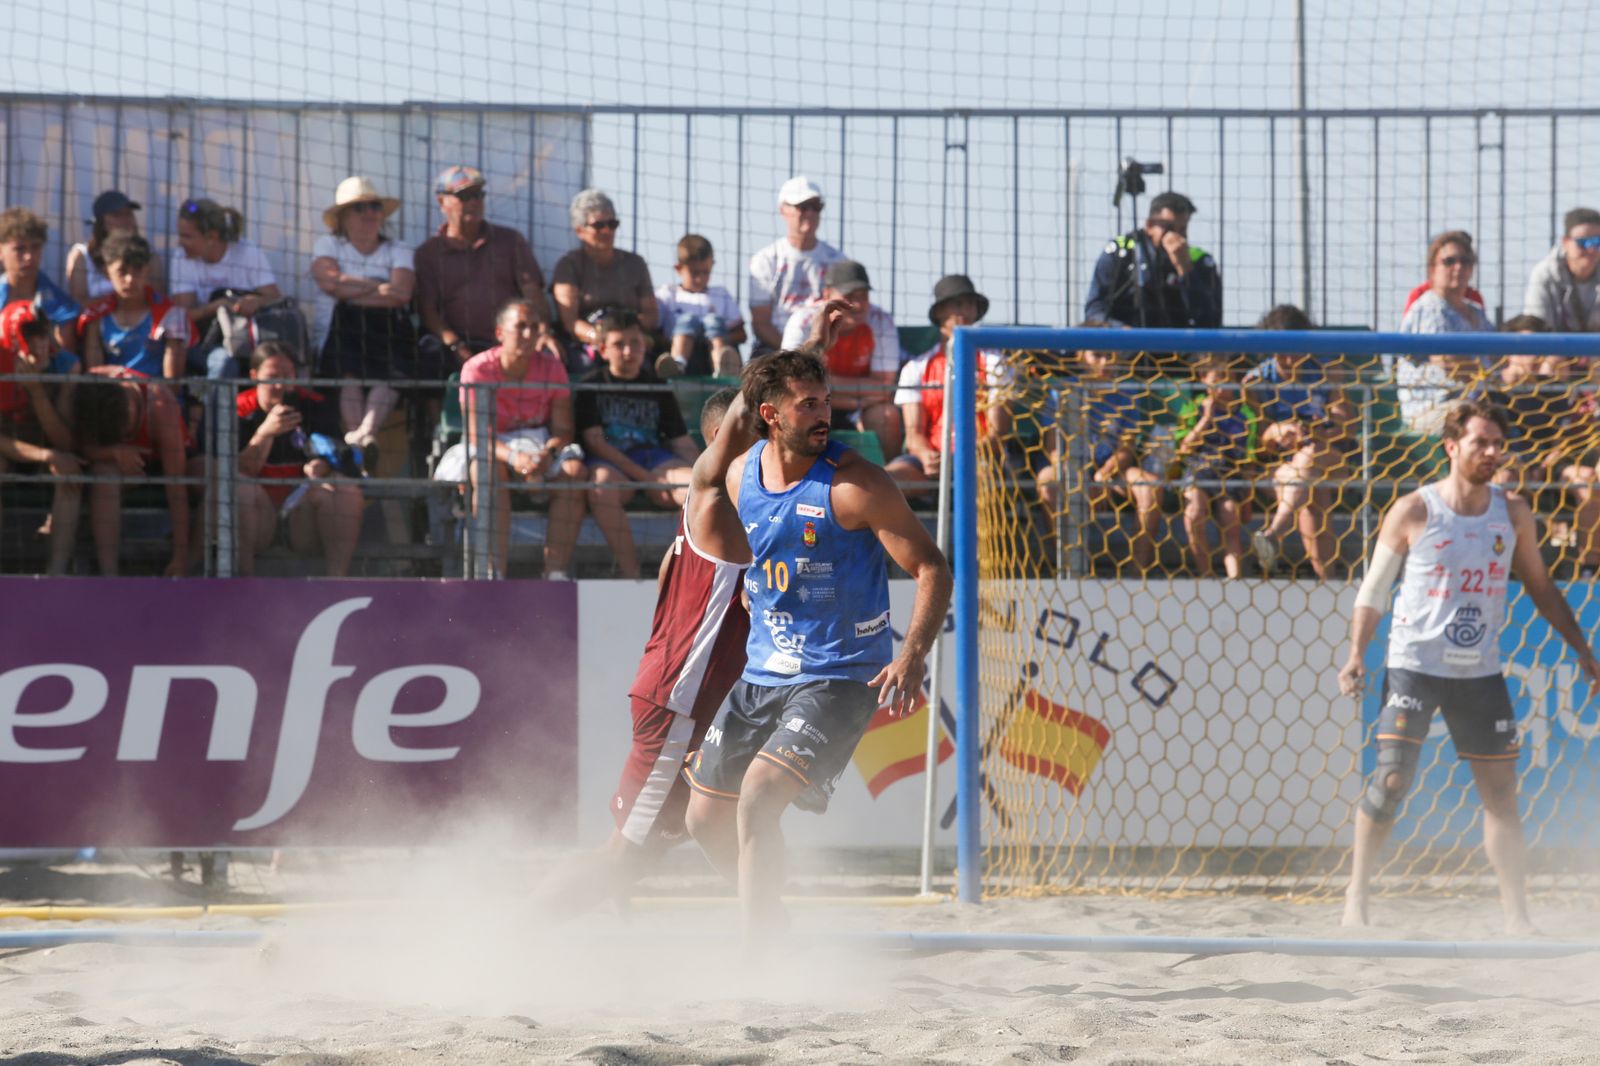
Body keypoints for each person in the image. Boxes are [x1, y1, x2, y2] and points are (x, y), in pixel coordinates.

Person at [683, 343, 952, 952]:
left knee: (757, 798)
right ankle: (771, 916)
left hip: (840, 675)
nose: (823, 412)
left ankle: (758, 956)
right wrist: (754, 582)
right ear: (770, 414)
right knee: (702, 820)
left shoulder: (855, 485)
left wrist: (911, 653)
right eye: (808, 404)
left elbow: (932, 567)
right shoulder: (737, 472)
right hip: (762, 673)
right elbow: (740, 530)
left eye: (826, 400)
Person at [1336, 400, 1600, 934]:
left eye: (1497, 444)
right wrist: (1356, 654)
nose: (1492, 452)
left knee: (1501, 795)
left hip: (1478, 670)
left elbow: (1542, 588)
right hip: (1414, 663)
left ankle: (1516, 917)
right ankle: (1356, 896)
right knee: (1390, 779)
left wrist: (1584, 651)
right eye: (1481, 442)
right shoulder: (1415, 510)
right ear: (1451, 446)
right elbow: (1374, 589)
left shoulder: (1514, 512)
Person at [537, 386, 757, 915]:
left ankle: (772, 926)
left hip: (683, 699)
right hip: (679, 704)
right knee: (622, 855)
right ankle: (509, 939)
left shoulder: (728, 515)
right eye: (759, 437)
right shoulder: (718, 502)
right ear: (719, 442)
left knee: (650, 847)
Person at [435, 299, 585, 580]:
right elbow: (477, 433)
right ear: (500, 333)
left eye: (534, 327)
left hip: (539, 443)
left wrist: (547, 455)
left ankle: (555, 574)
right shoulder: (476, 369)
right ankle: (492, 573)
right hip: (489, 444)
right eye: (520, 327)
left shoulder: (552, 368)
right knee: (488, 471)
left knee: (575, 472)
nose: (528, 334)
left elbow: (564, 429)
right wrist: (516, 458)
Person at [573, 308, 698, 579]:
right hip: (610, 462)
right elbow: (595, 442)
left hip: (655, 459)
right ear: (603, 349)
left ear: (645, 346)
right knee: (600, 487)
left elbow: (681, 440)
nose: (629, 352)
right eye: (619, 345)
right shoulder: (591, 385)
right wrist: (646, 479)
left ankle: (683, 573)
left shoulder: (658, 386)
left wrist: (708, 474)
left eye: (635, 343)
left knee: (695, 489)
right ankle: (633, 574)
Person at [235, 342, 366, 577]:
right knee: (242, 490)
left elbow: (340, 457)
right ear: (254, 376)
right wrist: (266, 433)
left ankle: (337, 583)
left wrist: (323, 466)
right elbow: (243, 469)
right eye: (272, 376)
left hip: (300, 515)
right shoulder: (238, 408)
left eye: (288, 375)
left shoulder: (314, 405)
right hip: (257, 517)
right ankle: (244, 583)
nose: (280, 385)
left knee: (345, 491)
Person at [310, 176, 416, 451]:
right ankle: (361, 441)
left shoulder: (398, 248)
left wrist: (351, 286)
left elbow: (402, 294)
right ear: (344, 216)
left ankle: (363, 435)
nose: (369, 213)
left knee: (390, 375)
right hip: (342, 329)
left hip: (388, 329)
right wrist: (379, 286)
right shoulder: (328, 245)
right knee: (349, 376)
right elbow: (330, 283)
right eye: (360, 208)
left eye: (374, 206)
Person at [413, 165, 555, 368]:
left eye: (478, 195)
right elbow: (428, 311)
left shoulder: (510, 241)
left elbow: (533, 293)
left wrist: (543, 332)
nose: (474, 202)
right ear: (442, 202)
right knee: (430, 356)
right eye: (464, 195)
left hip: (509, 341)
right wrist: (456, 346)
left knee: (551, 356)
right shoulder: (428, 253)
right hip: (454, 346)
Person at [886, 275, 1011, 497]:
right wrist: (925, 455)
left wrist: (968, 456)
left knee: (986, 489)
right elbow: (914, 435)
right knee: (885, 481)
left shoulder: (994, 362)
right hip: (932, 462)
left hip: (982, 460)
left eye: (970, 303)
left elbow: (997, 432)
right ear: (940, 312)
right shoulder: (916, 367)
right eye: (957, 303)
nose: (965, 310)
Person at [73, 365, 199, 576]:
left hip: (161, 461)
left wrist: (180, 555)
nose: (125, 437)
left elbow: (176, 486)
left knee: (208, 475)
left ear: (132, 405)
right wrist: (113, 452)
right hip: (115, 463)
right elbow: (80, 449)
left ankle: (190, 567)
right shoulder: (90, 391)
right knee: (104, 476)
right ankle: (109, 576)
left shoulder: (161, 406)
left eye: (126, 433)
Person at [780, 259, 902, 458]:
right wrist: (849, 398)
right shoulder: (802, 321)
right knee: (793, 410)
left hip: (851, 404)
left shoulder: (881, 321)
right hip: (818, 403)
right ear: (827, 295)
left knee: (887, 416)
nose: (858, 304)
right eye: (849, 296)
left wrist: (829, 386)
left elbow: (885, 388)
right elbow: (792, 385)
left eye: (864, 296)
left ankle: (892, 482)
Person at [0, 302, 83, 574]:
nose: (39, 344)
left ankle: (55, 575)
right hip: (12, 452)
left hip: (48, 452)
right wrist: (45, 455)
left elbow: (65, 443)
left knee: (69, 471)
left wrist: (36, 392)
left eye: (42, 334)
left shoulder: (66, 365)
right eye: (29, 336)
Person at [168, 198, 283, 378]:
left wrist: (256, 302)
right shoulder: (181, 258)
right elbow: (183, 315)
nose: (180, 243)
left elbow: (275, 298)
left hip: (249, 340)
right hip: (205, 341)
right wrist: (215, 308)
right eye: (180, 235)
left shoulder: (247, 251)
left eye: (187, 236)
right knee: (223, 362)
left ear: (211, 237)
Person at [1084, 191, 1222, 335]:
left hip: (1178, 348)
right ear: (1149, 225)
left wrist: (1186, 270)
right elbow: (1094, 309)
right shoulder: (1120, 252)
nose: (1176, 236)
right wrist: (1120, 330)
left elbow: (1210, 321)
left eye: (1182, 230)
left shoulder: (1199, 260)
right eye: (1168, 228)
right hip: (1125, 347)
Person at [1397, 230, 1492, 436]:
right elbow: (1447, 361)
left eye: (1466, 261)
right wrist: (1488, 374)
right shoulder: (1430, 307)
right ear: (1432, 268)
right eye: (1449, 261)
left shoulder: (1475, 311)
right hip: (1434, 407)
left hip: (1475, 400)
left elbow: (1499, 356)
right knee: (1474, 420)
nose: (1458, 267)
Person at [552, 189, 658, 371]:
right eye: (599, 225)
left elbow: (651, 314)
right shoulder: (569, 265)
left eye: (612, 224)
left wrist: (628, 334)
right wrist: (601, 339)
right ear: (580, 230)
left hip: (632, 344)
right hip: (588, 347)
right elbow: (570, 322)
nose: (607, 230)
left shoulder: (635, 263)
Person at [1174, 352, 1255, 578]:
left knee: (1230, 516)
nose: (1224, 386)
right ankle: (1206, 576)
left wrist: (1247, 497)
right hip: (1198, 470)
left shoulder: (1245, 415)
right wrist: (1206, 419)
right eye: (1218, 378)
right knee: (1194, 513)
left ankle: (1234, 578)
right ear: (1203, 378)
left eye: (1229, 379)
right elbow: (1184, 449)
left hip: (1229, 474)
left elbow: (1248, 460)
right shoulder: (1193, 408)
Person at [747, 175, 844, 353]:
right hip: (775, 350)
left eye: (816, 207)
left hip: (826, 350)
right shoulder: (765, 260)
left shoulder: (838, 261)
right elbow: (761, 323)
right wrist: (794, 354)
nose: (810, 213)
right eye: (802, 207)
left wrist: (815, 349)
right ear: (783, 209)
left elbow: (845, 314)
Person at [78, 234, 190, 380]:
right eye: (122, 272)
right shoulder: (96, 318)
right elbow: (95, 379)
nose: (130, 279)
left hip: (158, 398)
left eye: (137, 270)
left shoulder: (170, 314)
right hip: (114, 397)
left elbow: (172, 385)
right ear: (107, 272)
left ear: (148, 270)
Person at [653, 234, 745, 378]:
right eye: (694, 272)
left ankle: (722, 367)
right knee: (687, 321)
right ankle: (678, 364)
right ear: (678, 269)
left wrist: (711, 337)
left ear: (712, 265)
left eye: (706, 272)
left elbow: (741, 334)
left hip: (712, 351)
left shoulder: (720, 294)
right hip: (681, 350)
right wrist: (680, 338)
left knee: (712, 321)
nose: (700, 278)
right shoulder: (667, 294)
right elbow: (656, 332)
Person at [0, 207, 80, 354]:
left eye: (35, 247)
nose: (29, 256)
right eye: (19, 249)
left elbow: (68, 365)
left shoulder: (60, 305)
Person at [66, 190, 153, 304]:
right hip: (96, 321)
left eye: (128, 213)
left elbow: (154, 300)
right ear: (101, 223)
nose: (125, 220)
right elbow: (77, 304)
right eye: (117, 215)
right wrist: (114, 306)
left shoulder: (149, 255)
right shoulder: (81, 255)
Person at [1523, 207, 1600, 333]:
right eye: (1583, 243)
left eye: (1597, 242)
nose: (1591, 249)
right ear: (1565, 242)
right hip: (1552, 349)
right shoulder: (1544, 274)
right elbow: (1534, 328)